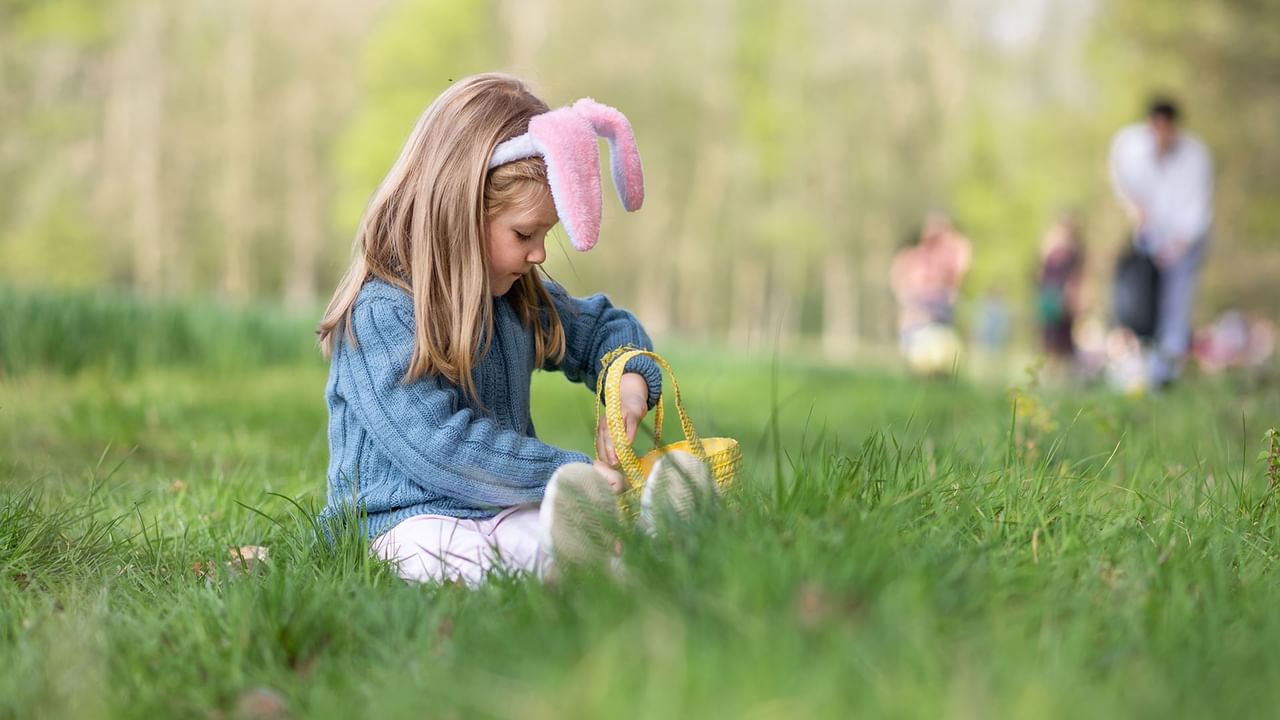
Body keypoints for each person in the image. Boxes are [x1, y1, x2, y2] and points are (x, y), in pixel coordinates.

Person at [315, 74, 714, 586]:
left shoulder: (514, 299)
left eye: (545, 234)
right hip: (396, 523)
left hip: (496, 509)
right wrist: (566, 472)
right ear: (456, 212)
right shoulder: (382, 314)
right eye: (524, 233)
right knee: (465, 551)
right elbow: (440, 450)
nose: (539, 253)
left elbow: (604, 329)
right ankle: (605, 556)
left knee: (532, 532)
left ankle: (646, 546)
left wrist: (628, 383)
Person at [1109, 97, 1214, 387]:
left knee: (1175, 305)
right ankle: (1135, 369)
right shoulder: (1129, 145)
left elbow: (1198, 211)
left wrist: (1178, 246)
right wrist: (1133, 206)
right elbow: (1120, 177)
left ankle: (1165, 375)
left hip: (1185, 243)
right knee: (1139, 304)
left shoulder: (1196, 157)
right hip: (1149, 239)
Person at [889, 211, 972, 374]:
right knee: (914, 335)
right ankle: (919, 367)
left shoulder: (952, 249)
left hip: (940, 300)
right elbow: (899, 273)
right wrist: (904, 294)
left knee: (939, 337)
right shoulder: (913, 253)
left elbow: (960, 267)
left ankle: (938, 369)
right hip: (918, 299)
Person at [1036, 216, 1084, 363]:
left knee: (1063, 334)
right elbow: (1040, 274)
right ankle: (1049, 364)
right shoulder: (1049, 252)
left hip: (1064, 298)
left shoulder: (1073, 254)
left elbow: (1076, 278)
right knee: (1049, 333)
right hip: (1049, 297)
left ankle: (1063, 365)